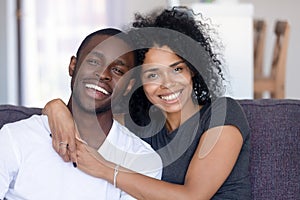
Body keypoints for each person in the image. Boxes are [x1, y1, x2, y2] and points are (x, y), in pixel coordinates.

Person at [44, 7, 251, 199]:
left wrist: (105, 169)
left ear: (192, 70)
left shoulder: (222, 113)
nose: (168, 84)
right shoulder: (142, 125)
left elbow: (193, 196)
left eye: (177, 69)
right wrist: (54, 107)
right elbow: (89, 117)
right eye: (153, 75)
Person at [0, 28, 162, 200]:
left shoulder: (142, 160)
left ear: (128, 86)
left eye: (117, 70)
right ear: (73, 66)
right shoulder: (15, 137)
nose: (103, 74)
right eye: (93, 61)